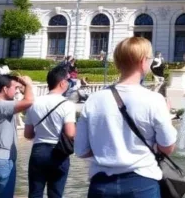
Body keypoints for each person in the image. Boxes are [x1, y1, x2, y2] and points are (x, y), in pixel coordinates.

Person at [75, 37, 178, 198]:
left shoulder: (94, 99)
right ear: (143, 61)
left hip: (101, 184)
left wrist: (108, 154)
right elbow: (168, 147)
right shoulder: (154, 99)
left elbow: (81, 150)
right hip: (142, 183)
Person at [0, 73, 36, 198]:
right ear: (5, 89)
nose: (16, 92)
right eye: (14, 88)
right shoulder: (3, 106)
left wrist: (20, 86)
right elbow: (29, 101)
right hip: (3, 160)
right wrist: (28, 85)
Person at [24, 65, 76, 198]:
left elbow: (28, 134)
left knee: (35, 193)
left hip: (38, 151)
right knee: (56, 193)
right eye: (68, 80)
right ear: (62, 83)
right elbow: (70, 133)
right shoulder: (67, 105)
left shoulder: (34, 103)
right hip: (59, 152)